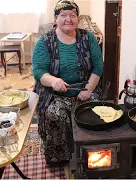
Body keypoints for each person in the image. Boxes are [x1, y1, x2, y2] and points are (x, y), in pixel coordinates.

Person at [32, 0, 103, 165]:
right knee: (54, 114)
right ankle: (59, 157)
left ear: (78, 18)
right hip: (55, 94)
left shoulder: (88, 37)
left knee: (95, 111)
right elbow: (38, 71)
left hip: (85, 90)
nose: (68, 19)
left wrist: (88, 89)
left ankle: (89, 153)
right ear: (56, 18)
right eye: (63, 15)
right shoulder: (45, 41)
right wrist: (53, 80)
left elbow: (98, 66)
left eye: (72, 15)